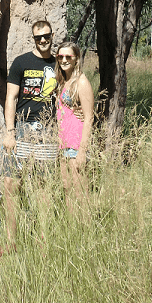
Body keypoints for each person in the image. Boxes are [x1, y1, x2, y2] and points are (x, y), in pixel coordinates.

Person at [0, 19, 58, 244]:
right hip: (22, 128)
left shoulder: (59, 63)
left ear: (52, 36)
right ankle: (11, 241)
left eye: (46, 36)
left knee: (44, 188)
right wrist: (10, 131)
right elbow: (11, 98)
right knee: (11, 183)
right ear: (33, 38)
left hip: (48, 132)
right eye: (38, 37)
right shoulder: (21, 63)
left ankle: (43, 240)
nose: (43, 40)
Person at [55, 41, 95, 202]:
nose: (64, 60)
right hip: (63, 144)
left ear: (76, 59)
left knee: (80, 192)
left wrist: (82, 151)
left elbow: (89, 117)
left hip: (76, 145)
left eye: (68, 57)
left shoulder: (81, 82)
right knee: (67, 189)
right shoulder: (63, 80)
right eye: (60, 56)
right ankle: (72, 225)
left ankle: (85, 227)